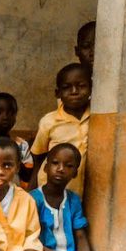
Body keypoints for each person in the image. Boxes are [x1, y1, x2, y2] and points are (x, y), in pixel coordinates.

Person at [29, 63, 92, 194]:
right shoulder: (49, 122)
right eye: (67, 87)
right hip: (51, 192)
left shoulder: (98, 118)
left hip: (84, 192)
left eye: (81, 86)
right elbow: (38, 159)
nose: (74, 91)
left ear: (92, 88)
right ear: (58, 93)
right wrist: (31, 192)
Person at [0, 92, 34, 183]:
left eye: (10, 113)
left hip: (13, 193)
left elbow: (28, 176)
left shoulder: (21, 145)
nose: (5, 117)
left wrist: (15, 156)